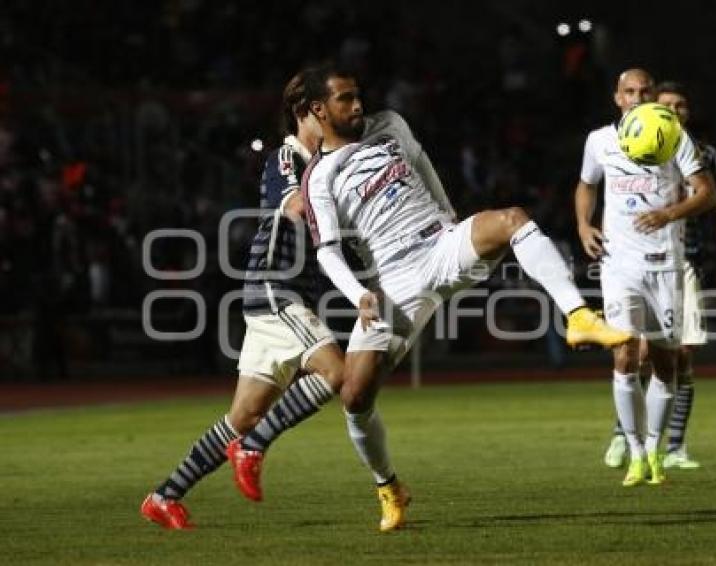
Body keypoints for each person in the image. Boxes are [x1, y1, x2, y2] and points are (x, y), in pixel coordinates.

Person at [228, 62, 630, 532]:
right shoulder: (318, 176)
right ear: (319, 108)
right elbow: (328, 253)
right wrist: (360, 295)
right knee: (355, 396)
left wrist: (449, 215)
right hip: (392, 280)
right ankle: (389, 487)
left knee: (513, 218)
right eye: (344, 99)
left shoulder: (390, 125)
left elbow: (421, 165)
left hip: (439, 245)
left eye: (358, 95)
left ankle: (578, 315)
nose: (357, 104)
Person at [140, 71, 348, 529]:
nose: (343, 113)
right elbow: (295, 206)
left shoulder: (324, 162)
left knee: (244, 415)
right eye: (333, 105)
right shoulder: (287, 158)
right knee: (337, 372)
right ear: (307, 111)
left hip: (285, 291)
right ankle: (254, 449)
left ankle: (165, 495)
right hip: (276, 285)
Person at [574, 69, 716, 487]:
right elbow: (585, 185)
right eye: (630, 91)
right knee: (624, 353)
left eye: (645, 91)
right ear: (617, 97)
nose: (637, 97)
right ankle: (635, 452)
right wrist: (584, 225)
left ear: (654, 95)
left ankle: (654, 448)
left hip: (666, 264)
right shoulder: (599, 140)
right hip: (620, 265)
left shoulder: (675, 135)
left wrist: (669, 213)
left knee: (665, 361)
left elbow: (706, 192)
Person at [602, 81, 716, 471]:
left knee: (681, 355)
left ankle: (674, 446)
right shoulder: (634, 141)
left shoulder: (702, 153)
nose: (677, 111)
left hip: (685, 263)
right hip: (639, 262)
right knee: (636, 353)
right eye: (669, 105)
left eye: (682, 105)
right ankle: (626, 436)